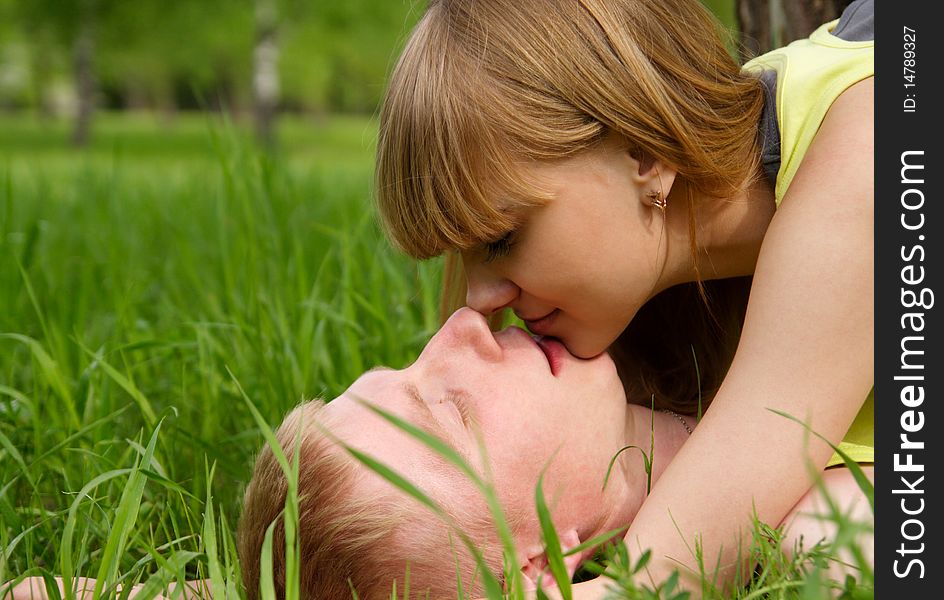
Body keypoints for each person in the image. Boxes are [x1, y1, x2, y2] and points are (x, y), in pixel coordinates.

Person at [374, 0, 873, 592]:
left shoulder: (872, 137)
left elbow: (769, 432)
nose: (478, 302)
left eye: (503, 237)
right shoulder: (657, 296)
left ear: (645, 153)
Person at [3, 309, 872, 599]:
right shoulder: (818, 527)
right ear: (546, 571)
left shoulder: (658, 302)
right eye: (451, 410)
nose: (459, 326)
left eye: (405, 363)